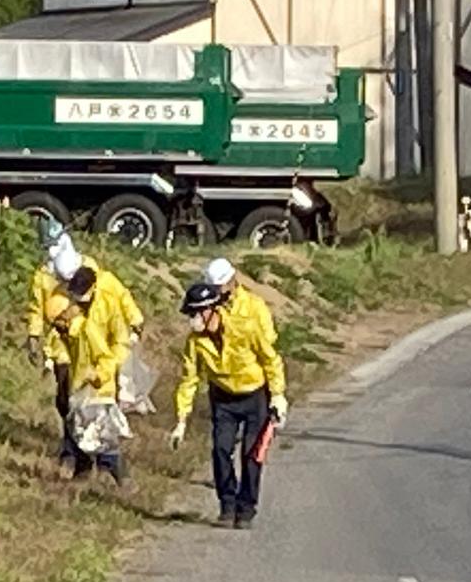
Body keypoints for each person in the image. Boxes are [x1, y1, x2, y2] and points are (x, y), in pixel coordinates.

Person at [170, 268, 287, 528]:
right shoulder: (195, 342)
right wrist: (181, 419)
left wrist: (277, 395)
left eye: (196, 313)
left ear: (211, 309)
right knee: (221, 450)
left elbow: (271, 360)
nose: (193, 320)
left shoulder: (244, 328)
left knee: (251, 454)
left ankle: (246, 508)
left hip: (255, 395)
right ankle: (227, 504)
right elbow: (190, 379)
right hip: (223, 398)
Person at [25, 216, 144, 458]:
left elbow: (119, 294)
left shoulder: (90, 269)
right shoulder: (43, 277)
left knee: (98, 394)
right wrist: (34, 335)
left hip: (95, 340)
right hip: (62, 343)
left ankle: (102, 448)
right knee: (66, 395)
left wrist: (135, 320)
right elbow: (37, 308)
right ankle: (72, 446)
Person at [47, 265, 132, 484]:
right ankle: (80, 465)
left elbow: (118, 341)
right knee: (76, 419)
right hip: (80, 375)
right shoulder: (72, 313)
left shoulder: (107, 305)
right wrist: (56, 358)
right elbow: (60, 340)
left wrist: (105, 371)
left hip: (103, 373)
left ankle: (110, 470)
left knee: (103, 424)